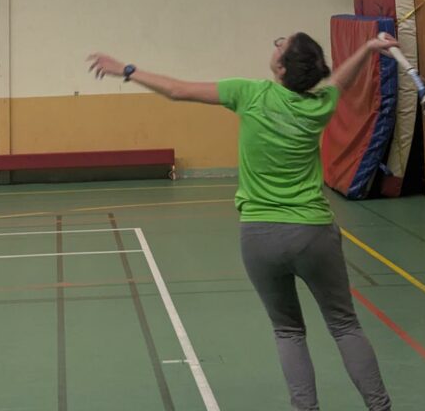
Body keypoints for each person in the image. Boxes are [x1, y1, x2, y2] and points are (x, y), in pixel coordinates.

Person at [88, 30, 394, 411]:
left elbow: (177, 90)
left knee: (288, 331)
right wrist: (369, 48)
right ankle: (380, 407)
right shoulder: (321, 106)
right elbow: (339, 83)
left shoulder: (249, 94)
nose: (276, 45)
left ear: (282, 69)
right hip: (313, 234)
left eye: (281, 45)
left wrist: (127, 69)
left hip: (260, 237)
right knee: (345, 325)